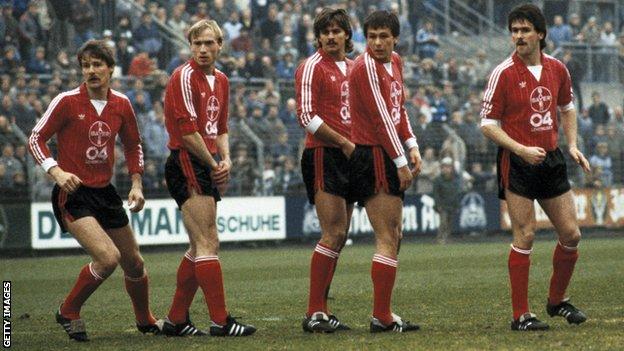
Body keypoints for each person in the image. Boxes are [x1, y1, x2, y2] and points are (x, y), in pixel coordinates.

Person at [28, 40, 159, 342]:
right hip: (74, 193)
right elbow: (36, 139)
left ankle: (145, 319)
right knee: (107, 258)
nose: (91, 70)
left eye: (97, 64)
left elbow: (133, 144)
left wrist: (137, 183)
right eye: (86, 65)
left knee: (135, 263)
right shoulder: (67, 101)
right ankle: (68, 310)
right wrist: (57, 172)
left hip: (105, 192)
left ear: (111, 69)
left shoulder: (122, 104)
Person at [480, 4, 590, 331]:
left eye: (525, 30)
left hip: (551, 158)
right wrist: (520, 149)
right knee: (525, 234)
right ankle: (521, 315)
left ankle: (557, 301)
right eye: (514, 30)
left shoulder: (558, 69)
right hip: (517, 161)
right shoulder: (503, 72)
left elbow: (567, 108)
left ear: (540, 34)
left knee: (571, 233)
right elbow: (487, 124)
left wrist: (571, 144)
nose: (519, 36)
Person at [160, 19, 256, 337]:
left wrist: (225, 158)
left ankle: (176, 319)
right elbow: (188, 133)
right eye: (197, 43)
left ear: (219, 45)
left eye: (209, 43)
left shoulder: (222, 80)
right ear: (190, 46)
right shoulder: (183, 76)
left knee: (202, 243)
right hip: (188, 160)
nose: (202, 49)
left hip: (205, 161)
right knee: (207, 242)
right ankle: (220, 321)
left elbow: (221, 127)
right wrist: (215, 162)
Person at [348, 10, 422, 333]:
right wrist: (400, 160)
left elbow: (398, 108)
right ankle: (381, 317)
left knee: (394, 236)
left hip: (388, 151)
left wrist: (413, 143)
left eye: (383, 37)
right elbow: (380, 117)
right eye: (371, 36)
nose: (377, 43)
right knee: (387, 237)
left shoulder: (396, 63)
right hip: (374, 154)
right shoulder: (364, 67)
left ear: (395, 38)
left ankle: (385, 313)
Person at [295, 8, 355, 333]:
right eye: (325, 32)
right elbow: (306, 115)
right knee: (332, 233)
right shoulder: (311, 67)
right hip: (324, 154)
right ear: (317, 37)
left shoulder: (356, 68)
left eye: (336, 31)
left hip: (351, 155)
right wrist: (344, 142)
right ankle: (314, 311)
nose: (331, 36)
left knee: (341, 236)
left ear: (347, 34)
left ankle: (323, 309)